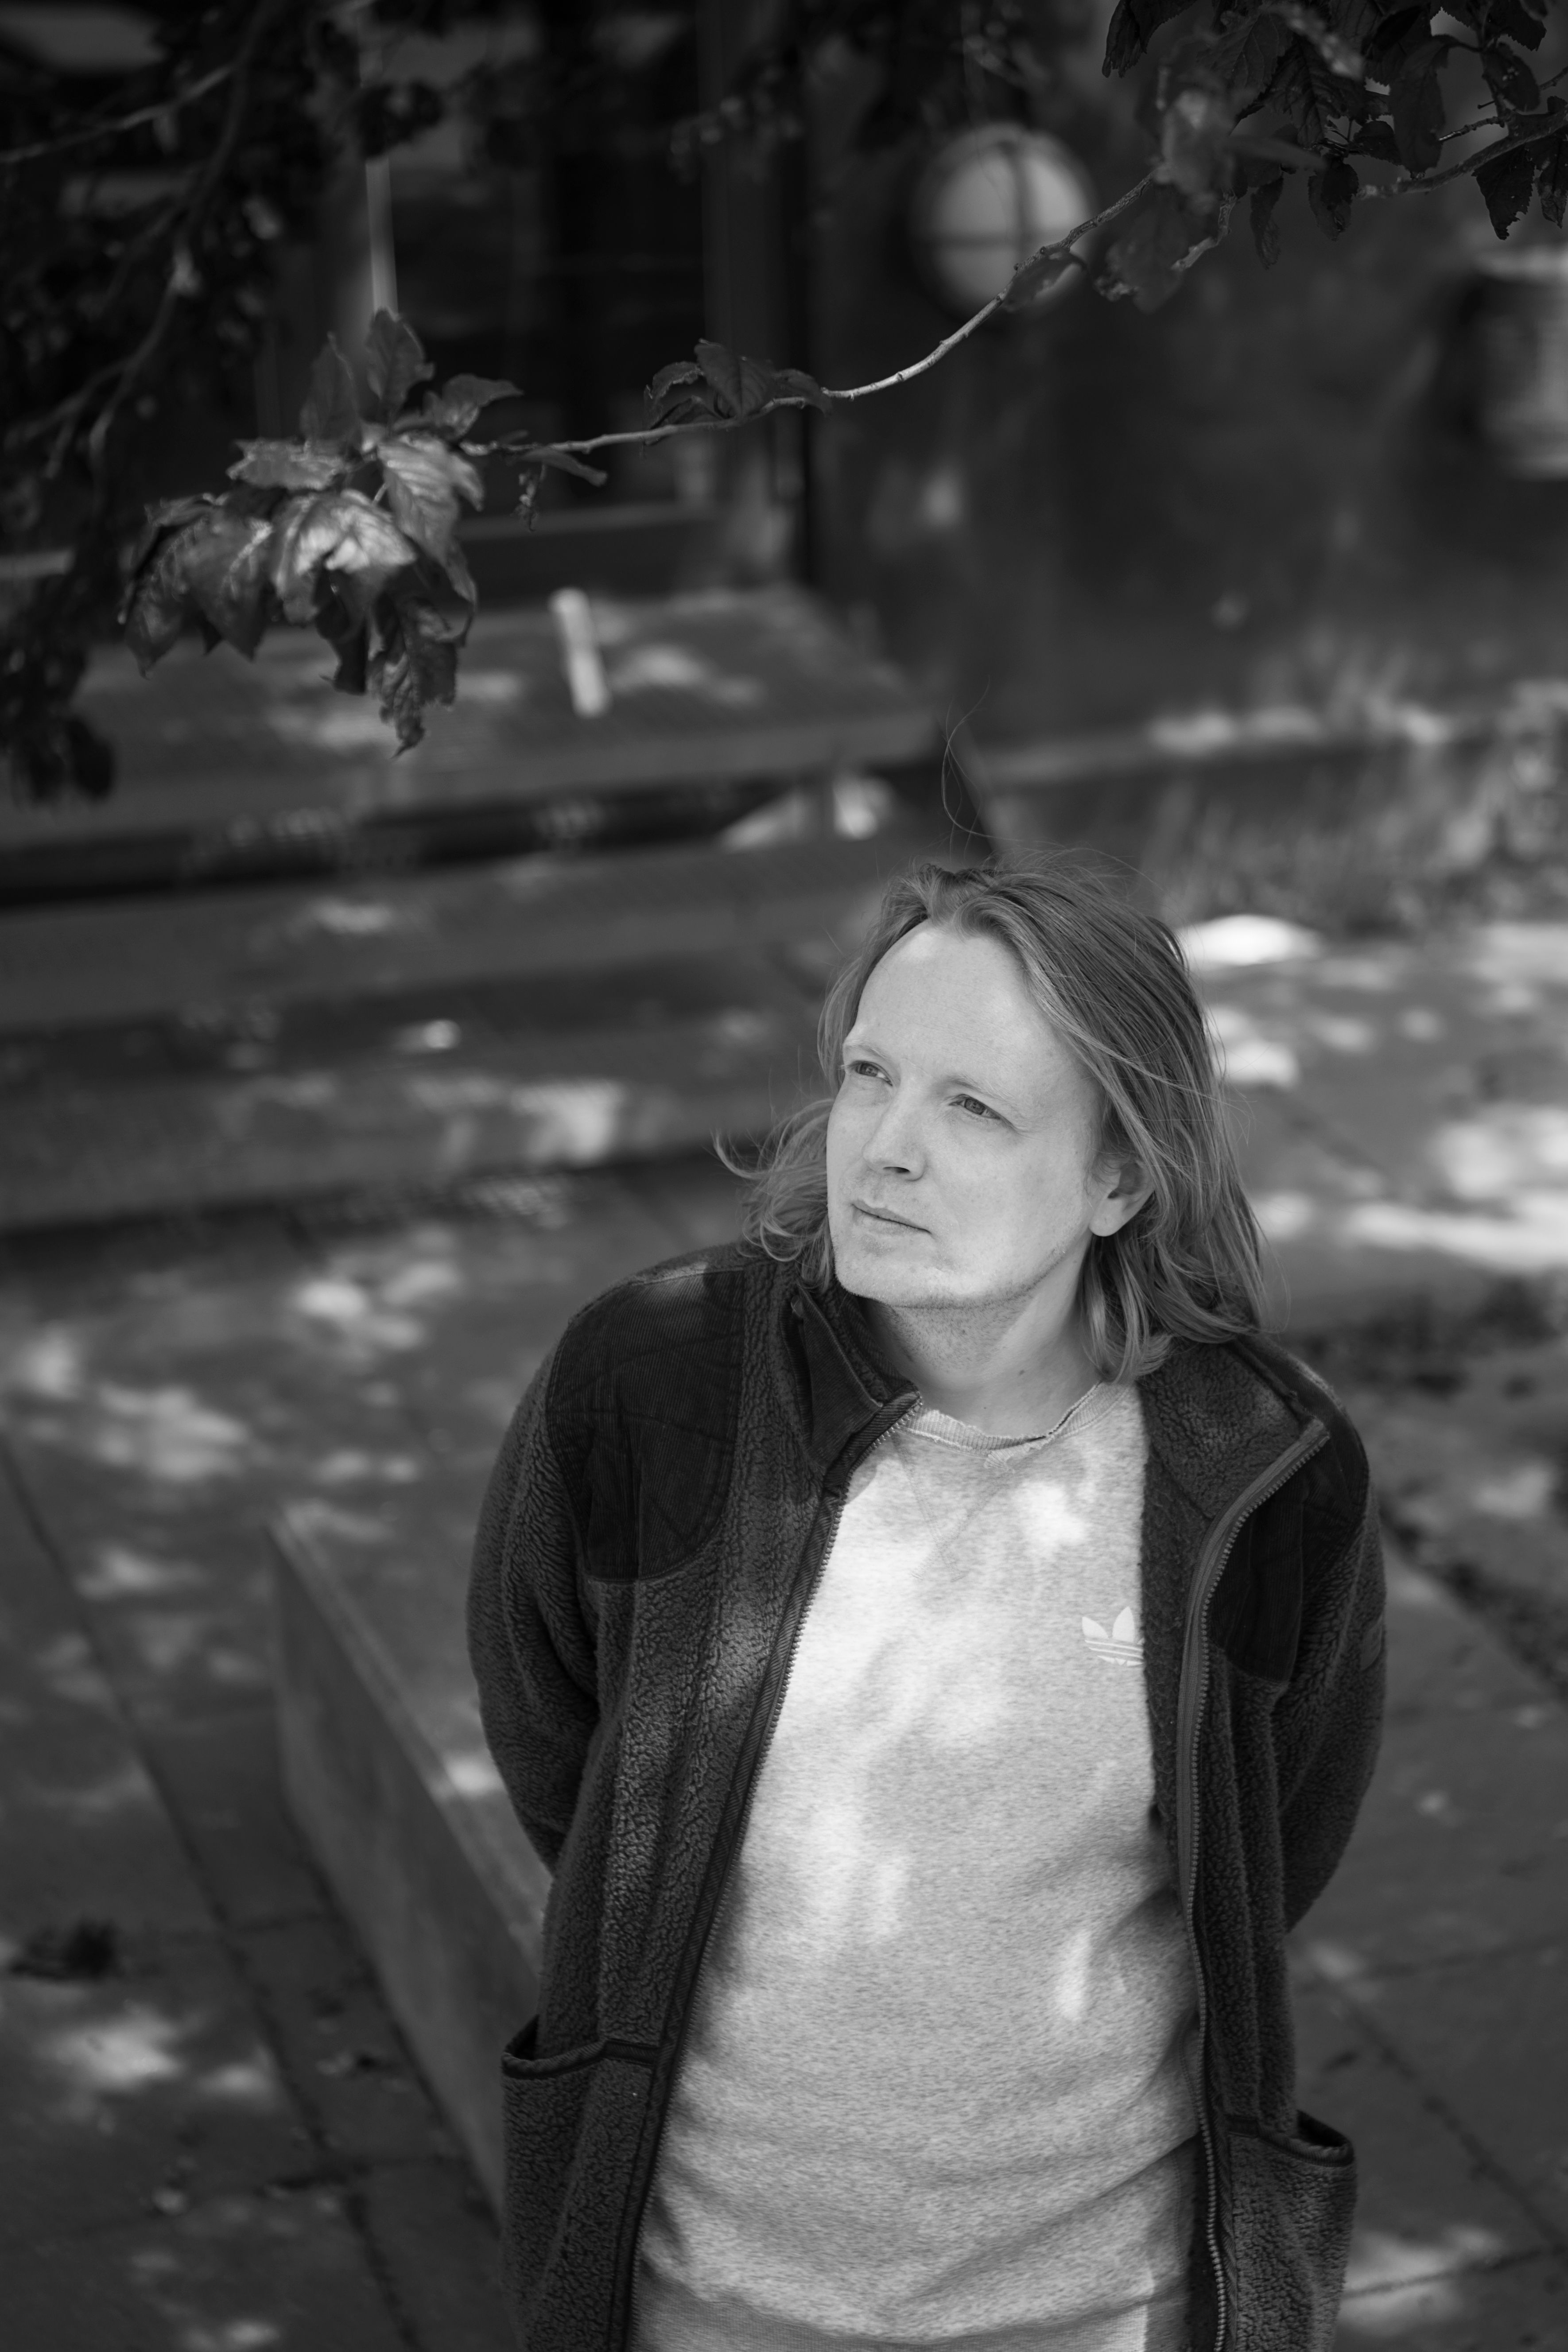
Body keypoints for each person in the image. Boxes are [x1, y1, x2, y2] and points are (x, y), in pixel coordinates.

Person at [467, 852, 1386, 2352]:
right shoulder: (649, 1388)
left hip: (1106, 2308)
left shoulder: (1261, 1475)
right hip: (708, 2301)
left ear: (1119, 1178)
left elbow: (1268, 1845)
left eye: (974, 1109)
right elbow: (566, 1760)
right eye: (869, 1075)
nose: (885, 1149)